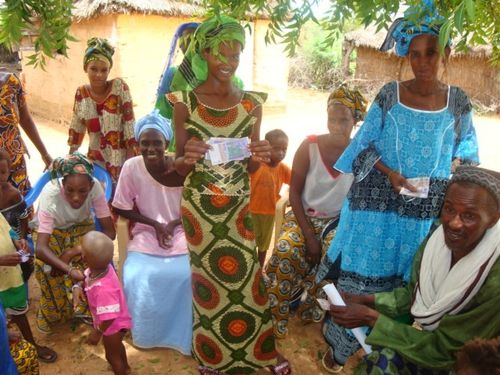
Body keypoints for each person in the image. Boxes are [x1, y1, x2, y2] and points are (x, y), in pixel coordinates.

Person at [320, 1, 480, 370]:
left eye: (431, 54)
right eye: (415, 54)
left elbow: (467, 155)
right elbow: (361, 148)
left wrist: (450, 180)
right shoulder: (390, 95)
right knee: (362, 281)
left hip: (423, 216)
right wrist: (391, 173)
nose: (422, 62)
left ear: (446, 54)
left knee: (409, 283)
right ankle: (341, 349)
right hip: (376, 211)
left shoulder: (459, 103)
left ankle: (391, 356)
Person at [169, 15, 291, 375]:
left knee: (248, 279)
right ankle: (212, 358)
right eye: (221, 55)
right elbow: (178, 168)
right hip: (199, 212)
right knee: (207, 283)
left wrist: (259, 157)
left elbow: (252, 169)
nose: (228, 63)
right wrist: (186, 157)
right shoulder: (185, 102)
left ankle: (259, 353)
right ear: (205, 53)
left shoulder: (251, 104)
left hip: (238, 209)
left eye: (235, 56)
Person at [328, 166, 500, 374]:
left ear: (493, 219)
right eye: (449, 209)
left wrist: (370, 318)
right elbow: (414, 294)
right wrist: (366, 300)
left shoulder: (494, 278)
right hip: (431, 344)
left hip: (463, 365)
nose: (454, 223)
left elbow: (447, 351)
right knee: (377, 364)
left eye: (469, 216)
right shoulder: (436, 242)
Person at [265, 87, 367, 339]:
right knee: (287, 249)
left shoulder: (360, 154)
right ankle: (278, 314)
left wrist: (331, 233)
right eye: (332, 118)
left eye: (343, 119)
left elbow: (358, 201)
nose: (336, 125)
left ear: (355, 121)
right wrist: (310, 236)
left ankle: (312, 308)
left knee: (334, 256)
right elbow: (295, 194)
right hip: (304, 217)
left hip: (338, 222)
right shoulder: (309, 146)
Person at [112, 110, 192, 354]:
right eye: (144, 143)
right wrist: (155, 224)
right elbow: (119, 206)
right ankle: (147, 334)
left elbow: (196, 207)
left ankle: (179, 337)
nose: (150, 148)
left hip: (181, 231)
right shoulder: (132, 167)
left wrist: (173, 224)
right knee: (135, 274)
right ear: (137, 144)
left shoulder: (182, 168)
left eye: (156, 142)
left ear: (166, 143)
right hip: (147, 232)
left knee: (186, 274)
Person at [33, 153, 115, 333]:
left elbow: (110, 232)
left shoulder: (96, 189)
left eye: (82, 191)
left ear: (91, 186)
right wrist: (67, 268)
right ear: (63, 185)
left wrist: (73, 251)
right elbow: (40, 248)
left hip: (81, 229)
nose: (76, 197)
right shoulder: (51, 193)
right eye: (70, 190)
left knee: (92, 257)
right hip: (53, 231)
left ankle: (85, 309)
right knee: (44, 266)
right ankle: (53, 312)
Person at [68, 37, 136, 184]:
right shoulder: (82, 94)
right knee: (99, 202)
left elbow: (130, 125)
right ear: (85, 67)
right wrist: (69, 159)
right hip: (96, 162)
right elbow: (76, 127)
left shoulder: (119, 88)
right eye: (94, 69)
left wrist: (130, 164)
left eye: (104, 70)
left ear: (109, 70)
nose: (99, 74)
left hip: (120, 161)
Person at [0, 214, 57, 365]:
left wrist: (18, 241)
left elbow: (7, 231)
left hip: (9, 277)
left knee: (18, 312)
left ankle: (32, 345)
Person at [73, 231, 131, 375]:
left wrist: (97, 333)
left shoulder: (104, 290)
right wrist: (77, 287)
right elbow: (86, 276)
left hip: (112, 326)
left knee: (111, 356)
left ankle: (121, 370)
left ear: (84, 257)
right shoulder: (101, 268)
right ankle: (126, 368)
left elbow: (109, 316)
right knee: (117, 348)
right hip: (114, 323)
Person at [0, 71, 52, 195]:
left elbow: (26, 119)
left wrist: (45, 154)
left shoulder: (11, 82)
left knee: (21, 205)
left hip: (14, 164)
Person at [249, 129, 291, 267]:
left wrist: (291, 196)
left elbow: (296, 182)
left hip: (269, 213)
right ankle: (249, 270)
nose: (281, 153)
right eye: (276, 148)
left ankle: (260, 271)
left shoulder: (282, 168)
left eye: (284, 149)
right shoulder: (256, 166)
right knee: (249, 244)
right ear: (266, 147)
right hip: (251, 211)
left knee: (263, 245)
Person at [155, 22, 199, 153]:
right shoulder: (173, 75)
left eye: (192, 40)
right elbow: (162, 113)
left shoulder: (220, 76)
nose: (188, 45)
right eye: (184, 41)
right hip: (179, 143)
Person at [0, 149, 33, 282]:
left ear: (9, 173)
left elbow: (24, 218)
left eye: (3, 173)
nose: (0, 177)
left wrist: (23, 238)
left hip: (14, 244)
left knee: (23, 270)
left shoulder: (14, 195)